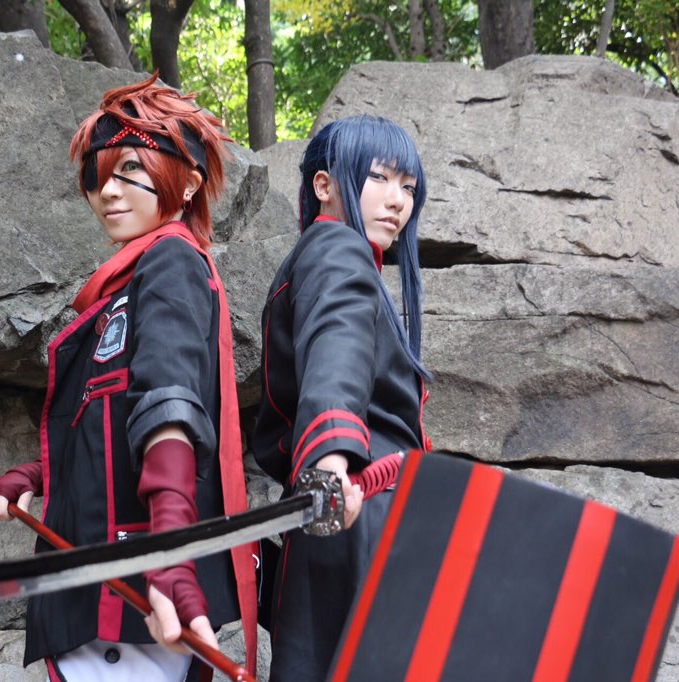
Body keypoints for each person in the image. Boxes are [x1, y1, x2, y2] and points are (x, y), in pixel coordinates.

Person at [0, 74, 257, 681]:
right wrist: (36, 476)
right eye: (98, 174)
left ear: (187, 183)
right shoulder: (119, 294)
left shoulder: (172, 260)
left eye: (131, 169)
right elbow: (110, 427)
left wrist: (170, 555)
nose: (107, 190)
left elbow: (168, 404)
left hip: (134, 600)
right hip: (99, 596)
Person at [251, 115, 433, 682]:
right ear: (324, 185)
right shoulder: (336, 246)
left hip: (342, 511)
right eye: (379, 177)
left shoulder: (327, 258)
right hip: (352, 509)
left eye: (408, 187)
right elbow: (339, 344)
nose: (398, 200)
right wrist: (330, 465)